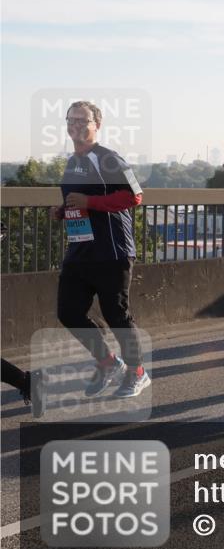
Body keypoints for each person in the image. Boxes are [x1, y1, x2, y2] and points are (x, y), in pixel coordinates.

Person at [49, 100, 149, 398]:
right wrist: (63, 211)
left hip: (112, 250)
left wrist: (90, 202)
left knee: (116, 315)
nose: (75, 125)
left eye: (82, 120)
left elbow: (134, 196)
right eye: (71, 120)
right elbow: (78, 200)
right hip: (80, 250)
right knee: (69, 313)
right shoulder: (72, 162)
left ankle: (137, 372)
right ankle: (108, 362)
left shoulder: (109, 159)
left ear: (97, 125)